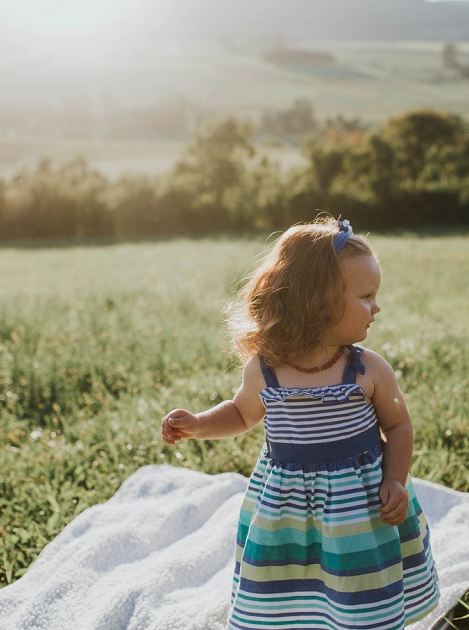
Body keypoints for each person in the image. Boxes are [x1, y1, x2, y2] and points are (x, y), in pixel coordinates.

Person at [160, 217, 440, 629]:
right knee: (288, 583)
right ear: (317, 301)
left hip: (358, 509)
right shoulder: (266, 369)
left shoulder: (368, 369)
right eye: (365, 296)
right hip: (285, 510)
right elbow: (241, 413)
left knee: (356, 587)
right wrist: (199, 424)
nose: (376, 307)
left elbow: (398, 426)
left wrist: (394, 480)